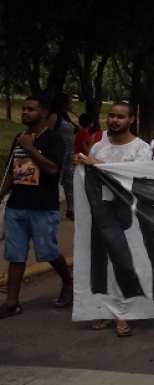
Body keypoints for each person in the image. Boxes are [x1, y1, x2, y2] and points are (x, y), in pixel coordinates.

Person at [76, 102, 152, 337]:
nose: (114, 121)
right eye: (111, 116)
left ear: (131, 120)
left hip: (128, 217)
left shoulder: (141, 149)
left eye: (120, 117)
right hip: (101, 214)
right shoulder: (98, 146)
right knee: (102, 264)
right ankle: (106, 310)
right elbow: (89, 177)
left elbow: (138, 180)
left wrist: (97, 165)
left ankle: (125, 314)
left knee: (127, 263)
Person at [0, 95, 72, 319]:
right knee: (15, 254)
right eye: (23, 108)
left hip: (43, 206)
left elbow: (52, 169)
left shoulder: (54, 140)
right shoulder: (20, 137)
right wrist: (1, 194)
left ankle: (68, 283)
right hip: (17, 206)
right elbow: (14, 171)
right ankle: (12, 302)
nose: (24, 112)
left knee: (48, 251)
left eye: (30, 109)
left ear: (43, 113)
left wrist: (31, 148)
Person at [47, 93, 77, 220]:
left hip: (69, 153)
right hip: (58, 154)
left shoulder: (66, 117)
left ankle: (71, 209)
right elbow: (47, 132)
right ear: (63, 103)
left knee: (70, 181)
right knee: (56, 181)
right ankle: (51, 207)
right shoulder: (54, 116)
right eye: (70, 102)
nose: (72, 104)